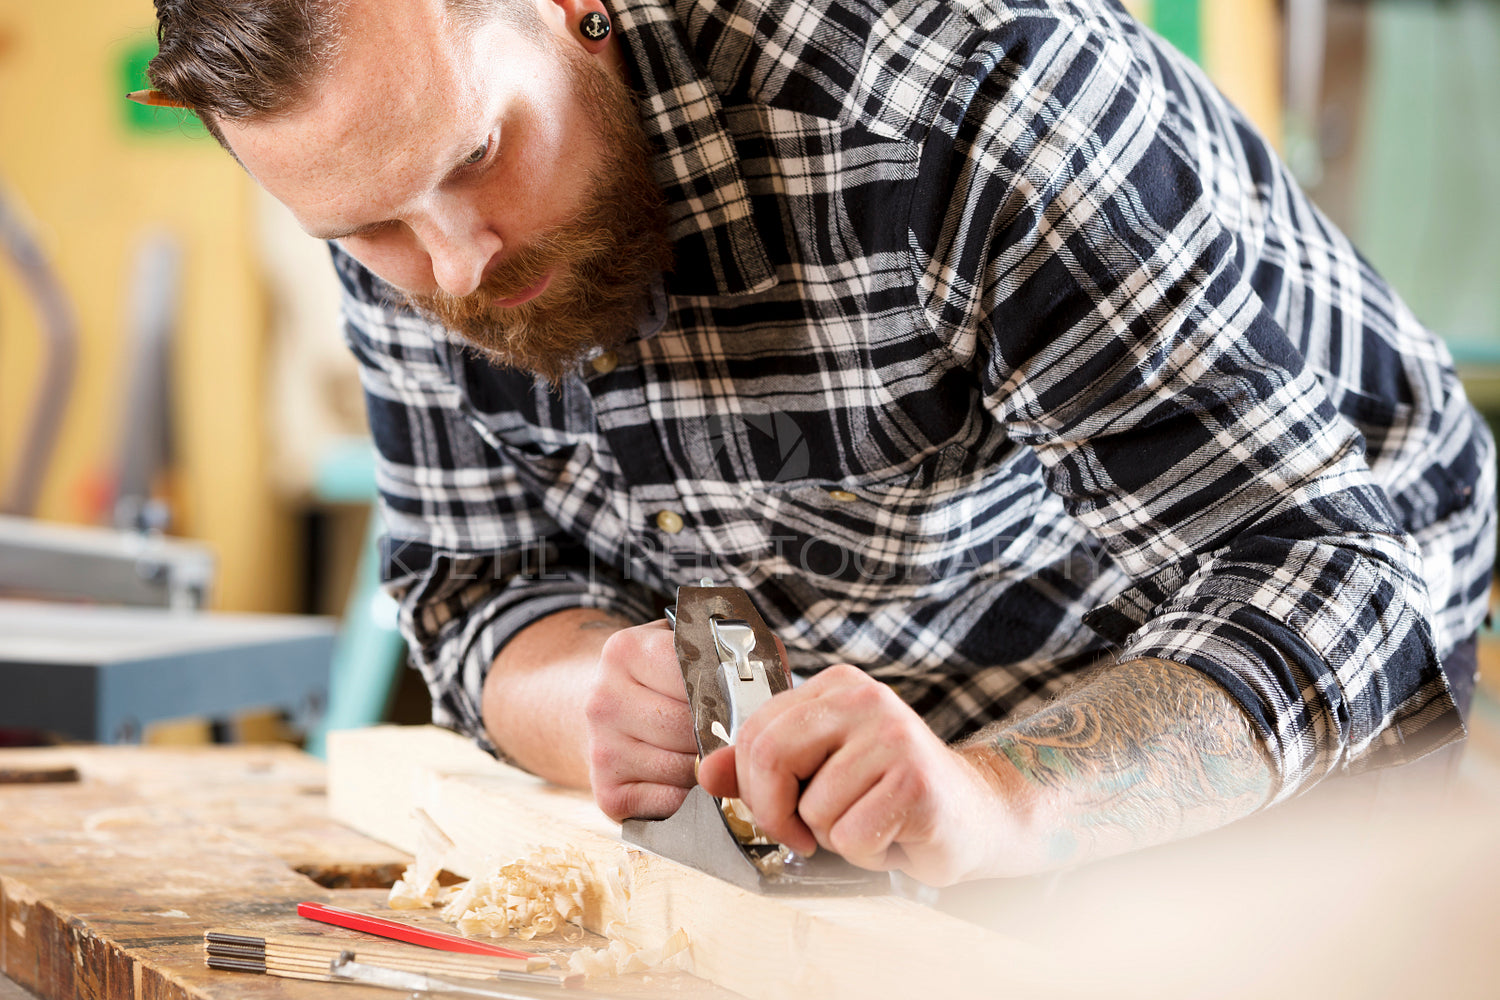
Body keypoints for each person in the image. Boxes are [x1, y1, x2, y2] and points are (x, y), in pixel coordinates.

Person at [145, 0, 1494, 886]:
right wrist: (586, 699)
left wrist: (1004, 800)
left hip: (1300, 735)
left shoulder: (966, 99)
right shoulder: (395, 184)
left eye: (478, 156)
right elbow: (472, 589)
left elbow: (1329, 586)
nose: (457, 263)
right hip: (912, 790)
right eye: (370, 230)